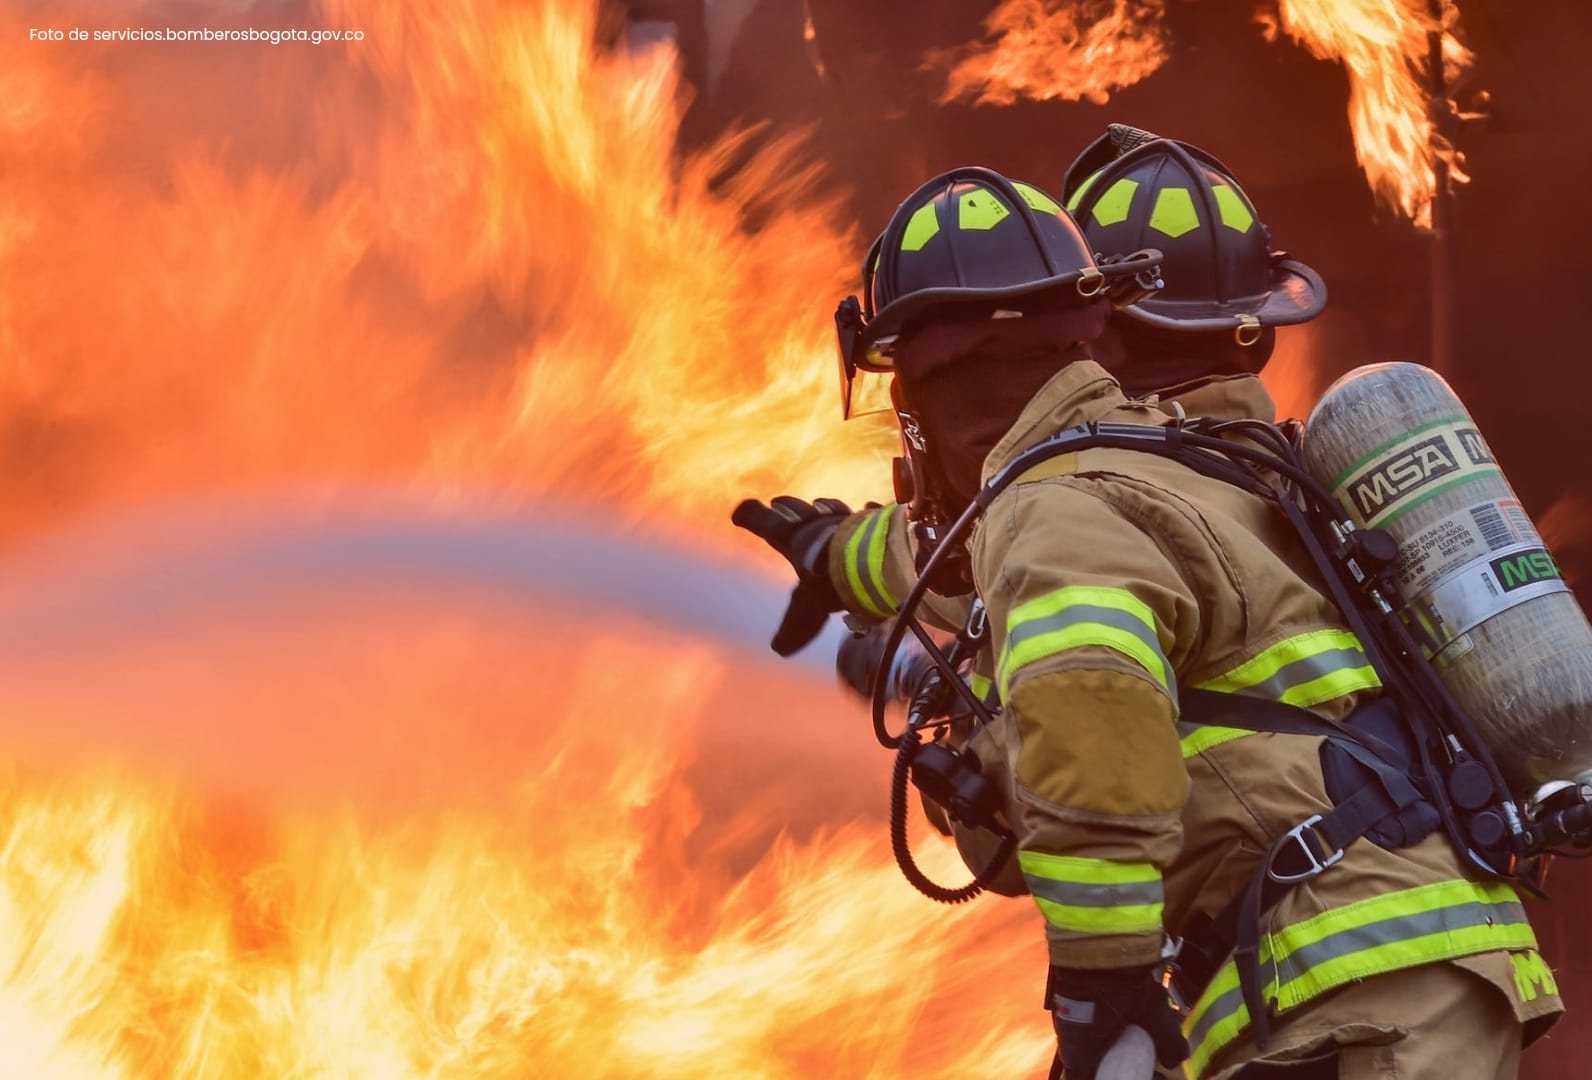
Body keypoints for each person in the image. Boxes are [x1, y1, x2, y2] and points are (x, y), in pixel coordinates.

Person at [734, 134, 1562, 1080]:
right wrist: (841, 557)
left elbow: (1092, 748)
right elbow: (962, 545)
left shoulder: (1057, 507)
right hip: (1401, 964)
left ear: (931, 380)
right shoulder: (1181, 465)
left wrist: (1102, 993)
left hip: (1347, 982)